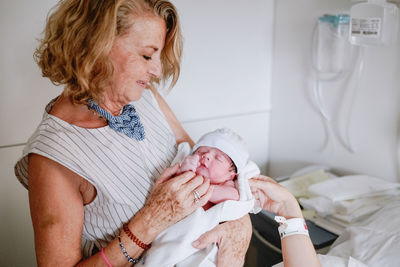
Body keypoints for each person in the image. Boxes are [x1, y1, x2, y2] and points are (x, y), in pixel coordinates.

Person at [13, 1, 252, 266]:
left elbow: (213, 169)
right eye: (147, 56)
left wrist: (239, 222)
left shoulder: (145, 98)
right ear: (96, 46)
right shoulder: (54, 157)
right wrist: (150, 221)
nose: (157, 71)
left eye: (159, 56)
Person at [140, 128, 259, 266]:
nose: (206, 156)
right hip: (175, 233)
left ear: (231, 175)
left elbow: (234, 199)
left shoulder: (229, 187)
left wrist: (201, 187)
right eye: (201, 152)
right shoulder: (189, 174)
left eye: (218, 158)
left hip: (201, 244)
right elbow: (175, 190)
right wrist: (185, 172)